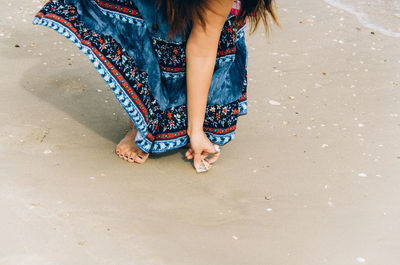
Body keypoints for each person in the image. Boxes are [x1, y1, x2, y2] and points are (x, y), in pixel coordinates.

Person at [32, 0, 278, 172]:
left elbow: (203, 48)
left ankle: (183, 117)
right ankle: (142, 117)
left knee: (203, 47)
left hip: (210, 20)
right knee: (151, 26)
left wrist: (196, 130)